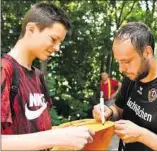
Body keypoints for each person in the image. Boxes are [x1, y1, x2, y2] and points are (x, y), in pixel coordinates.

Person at [1, 2, 95, 150]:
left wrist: (65, 134)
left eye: (60, 42)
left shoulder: (39, 76)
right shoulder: (4, 70)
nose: (57, 48)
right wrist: (55, 137)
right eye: (53, 39)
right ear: (31, 29)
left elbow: (41, 130)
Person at [93, 22, 157, 150]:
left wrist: (142, 135)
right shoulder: (131, 78)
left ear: (147, 52)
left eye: (126, 61)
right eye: (118, 62)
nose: (121, 69)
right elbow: (118, 109)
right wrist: (108, 112)